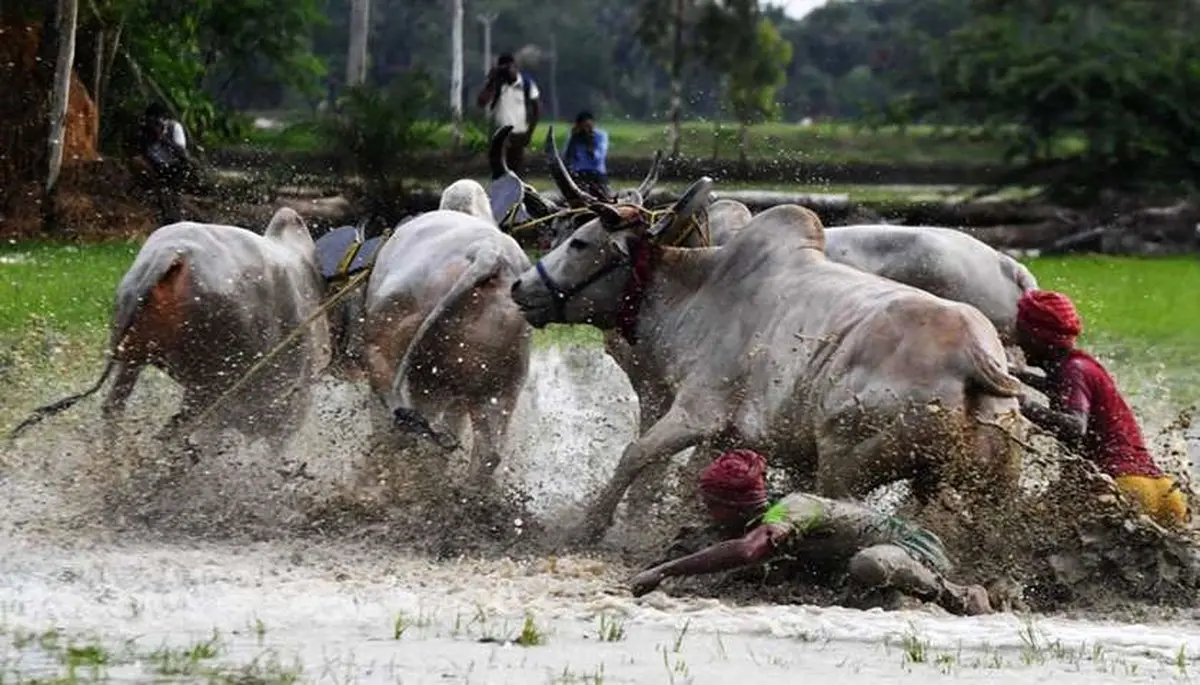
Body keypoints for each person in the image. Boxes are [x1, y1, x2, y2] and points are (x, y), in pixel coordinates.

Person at [628, 450, 994, 616]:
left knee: (869, 565)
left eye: (709, 503)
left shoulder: (790, 508)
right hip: (843, 561)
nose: (705, 511)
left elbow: (746, 551)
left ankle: (960, 597)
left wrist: (666, 571)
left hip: (909, 549)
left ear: (727, 504)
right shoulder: (756, 516)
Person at [1011, 289, 1188, 528]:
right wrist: (1016, 375)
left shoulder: (1072, 371)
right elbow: (1059, 389)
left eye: (1020, 330)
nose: (1016, 338)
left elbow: (1075, 426)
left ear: (1037, 336)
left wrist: (1024, 404)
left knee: (1032, 529)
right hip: (1165, 493)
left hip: (1123, 489)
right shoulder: (1082, 366)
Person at [476, 53, 540, 175]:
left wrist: (529, 133)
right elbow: (481, 102)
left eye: (509, 68)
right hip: (499, 135)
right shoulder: (497, 84)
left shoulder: (526, 83)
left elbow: (536, 109)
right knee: (499, 171)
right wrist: (491, 81)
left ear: (516, 67)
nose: (507, 72)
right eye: (503, 69)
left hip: (519, 134)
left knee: (517, 171)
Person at [562, 110, 612, 200]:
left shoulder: (600, 136)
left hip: (597, 174)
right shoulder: (574, 137)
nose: (585, 130)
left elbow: (598, 158)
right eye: (583, 127)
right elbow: (566, 157)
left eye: (588, 126)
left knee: (605, 199)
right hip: (579, 174)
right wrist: (573, 140)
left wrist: (590, 141)